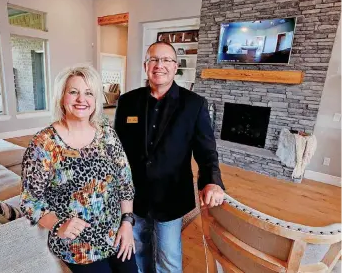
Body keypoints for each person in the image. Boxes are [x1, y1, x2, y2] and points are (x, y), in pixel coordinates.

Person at [114, 41, 225, 273]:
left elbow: (206, 151)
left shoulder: (194, 104)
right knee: (139, 248)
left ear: (176, 67)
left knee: (168, 256)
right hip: (134, 195)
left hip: (171, 195)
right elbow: (117, 150)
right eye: (153, 59)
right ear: (146, 66)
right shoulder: (127, 102)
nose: (159, 65)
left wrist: (212, 181)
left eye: (166, 60)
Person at [20, 64, 138, 273]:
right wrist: (58, 225)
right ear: (62, 97)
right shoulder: (44, 144)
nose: (81, 99)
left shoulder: (107, 135)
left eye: (88, 93)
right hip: (78, 248)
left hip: (116, 235)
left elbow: (125, 183)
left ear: (95, 99)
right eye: (73, 92)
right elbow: (30, 202)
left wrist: (127, 222)